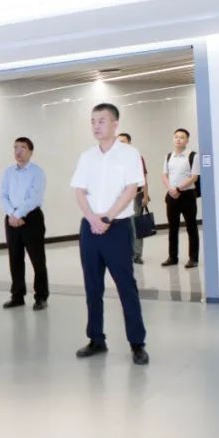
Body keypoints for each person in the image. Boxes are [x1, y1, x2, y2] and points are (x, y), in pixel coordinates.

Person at [70, 103, 149, 365]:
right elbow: (79, 191)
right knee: (92, 286)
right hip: (90, 228)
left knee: (126, 286)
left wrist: (107, 217)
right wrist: (92, 218)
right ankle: (96, 339)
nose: (96, 126)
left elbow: (131, 189)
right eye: (93, 121)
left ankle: (137, 343)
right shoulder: (87, 156)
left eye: (101, 121)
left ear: (115, 124)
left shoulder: (129, 154)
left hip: (117, 228)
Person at [0, 137, 49, 310]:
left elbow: (34, 197)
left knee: (37, 259)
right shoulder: (8, 172)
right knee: (15, 259)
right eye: (15, 147)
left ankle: (41, 296)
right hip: (11, 218)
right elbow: (3, 195)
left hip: (31, 218)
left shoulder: (37, 172)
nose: (18, 151)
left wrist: (18, 214)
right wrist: (12, 214)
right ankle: (17, 295)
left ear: (30, 151)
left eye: (22, 148)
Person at [162, 128, 200, 268]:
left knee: (191, 227)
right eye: (176, 137)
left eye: (182, 137)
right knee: (172, 228)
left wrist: (178, 189)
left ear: (187, 140)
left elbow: (194, 177)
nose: (178, 139)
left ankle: (193, 258)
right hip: (172, 195)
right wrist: (171, 189)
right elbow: (164, 175)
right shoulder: (168, 156)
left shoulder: (193, 156)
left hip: (187, 196)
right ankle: (172, 257)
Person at [118, 133, 150, 264]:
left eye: (123, 141)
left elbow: (144, 178)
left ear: (130, 143)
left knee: (136, 226)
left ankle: (137, 255)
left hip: (136, 196)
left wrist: (145, 196)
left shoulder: (137, 158)